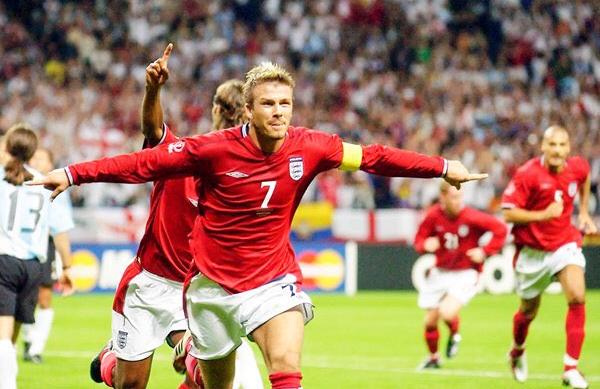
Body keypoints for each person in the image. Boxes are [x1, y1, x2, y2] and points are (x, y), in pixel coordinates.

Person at [28, 61, 487, 389]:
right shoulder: (209, 151)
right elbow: (140, 163)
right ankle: (115, 361)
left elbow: (374, 157)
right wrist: (72, 174)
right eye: (268, 103)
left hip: (271, 282)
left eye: (285, 103)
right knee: (172, 383)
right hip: (206, 290)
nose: (279, 111)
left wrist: (442, 166)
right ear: (249, 110)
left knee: (286, 367)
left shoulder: (312, 147)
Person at [87, 44, 262, 389]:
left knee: (207, 377)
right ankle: (111, 362)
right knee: (130, 384)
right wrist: (153, 89)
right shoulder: (182, 156)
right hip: (149, 284)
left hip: (195, 289)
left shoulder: (242, 179)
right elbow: (154, 130)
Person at [501, 125, 597, 389]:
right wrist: (542, 215)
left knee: (577, 296)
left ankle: (570, 368)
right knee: (528, 311)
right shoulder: (528, 174)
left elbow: (585, 176)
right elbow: (508, 212)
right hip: (531, 252)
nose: (557, 150)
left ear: (569, 148)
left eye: (562, 145)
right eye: (552, 145)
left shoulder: (576, 167)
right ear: (543, 146)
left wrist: (584, 213)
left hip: (564, 244)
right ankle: (517, 350)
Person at [0, 126, 74, 389]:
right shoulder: (47, 182)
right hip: (32, 267)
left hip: (4, 262)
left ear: (7, 148)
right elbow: (61, 231)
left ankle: (7, 384)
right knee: (10, 338)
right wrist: (67, 267)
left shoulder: (2, 177)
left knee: (3, 337)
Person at [413, 182, 507, 370]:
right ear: (443, 198)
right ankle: (434, 359)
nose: (459, 201)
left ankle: (455, 332)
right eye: (454, 197)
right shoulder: (432, 216)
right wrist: (425, 245)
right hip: (441, 272)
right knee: (429, 322)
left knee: (446, 312)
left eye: (460, 196)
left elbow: (501, 229)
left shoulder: (472, 216)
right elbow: (419, 239)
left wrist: (485, 251)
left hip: (466, 273)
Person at [20, 148, 75, 364]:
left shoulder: (55, 186)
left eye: (42, 157)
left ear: (50, 163)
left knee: (44, 297)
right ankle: (27, 339)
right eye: (34, 156)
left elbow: (60, 227)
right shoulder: (18, 181)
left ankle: (35, 349)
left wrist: (66, 264)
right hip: (21, 246)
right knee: (24, 298)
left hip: (46, 245)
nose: (36, 160)